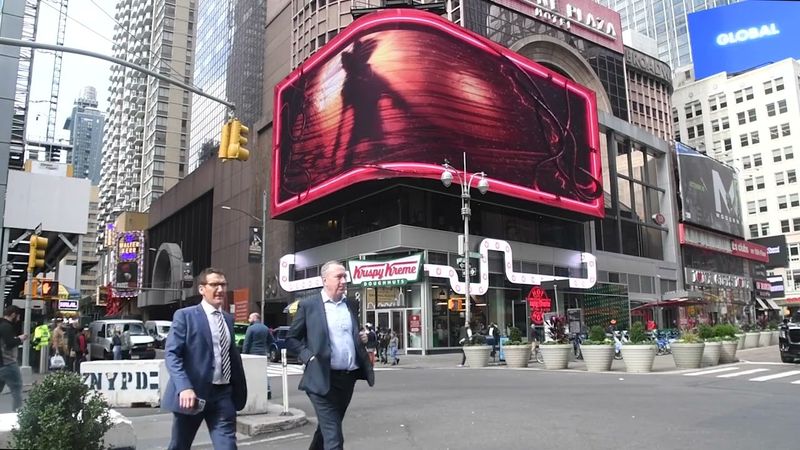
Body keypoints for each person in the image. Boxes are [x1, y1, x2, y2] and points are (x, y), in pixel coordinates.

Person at [286, 260, 374, 450]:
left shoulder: (351, 304)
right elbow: (292, 338)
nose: (344, 281)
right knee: (334, 438)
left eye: (345, 276)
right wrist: (308, 357)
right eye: (338, 277)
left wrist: (364, 337)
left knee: (327, 430)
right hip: (321, 379)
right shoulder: (309, 305)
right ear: (324, 280)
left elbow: (353, 334)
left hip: (346, 380)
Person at [163, 267, 248, 450]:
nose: (220, 289)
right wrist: (184, 387)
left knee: (228, 446)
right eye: (214, 284)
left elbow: (230, 355)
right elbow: (172, 355)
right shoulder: (185, 316)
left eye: (223, 285)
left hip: (223, 395)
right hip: (193, 395)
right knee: (180, 445)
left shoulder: (227, 319)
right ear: (202, 289)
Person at [0, 306, 28, 412]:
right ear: (13, 314)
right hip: (8, 363)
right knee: (17, 388)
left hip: (1, 363)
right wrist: (20, 339)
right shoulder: (6, 326)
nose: (18, 318)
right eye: (18, 315)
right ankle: (17, 414)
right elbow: (10, 343)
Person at [243, 312, 273, 400]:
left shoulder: (251, 329)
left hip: (253, 354)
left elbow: (247, 343)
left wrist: (245, 354)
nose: (249, 320)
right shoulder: (265, 328)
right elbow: (271, 340)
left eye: (250, 318)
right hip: (263, 353)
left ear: (255, 318)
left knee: (251, 373)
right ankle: (267, 390)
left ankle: (253, 390)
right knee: (264, 372)